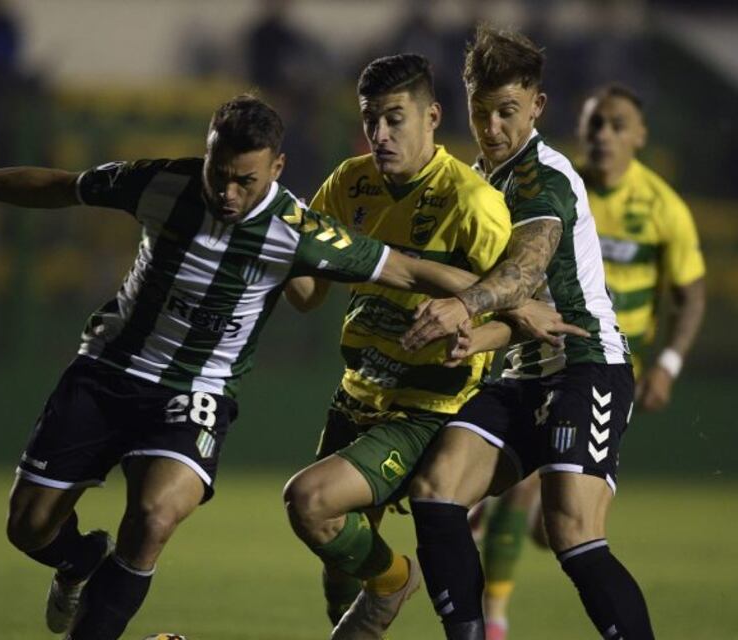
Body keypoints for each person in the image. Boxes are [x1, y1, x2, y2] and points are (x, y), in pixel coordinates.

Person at [0, 94, 491, 640]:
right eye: (218, 174)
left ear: (276, 170)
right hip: (106, 372)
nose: (227, 193)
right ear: (205, 154)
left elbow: (410, 270)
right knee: (28, 527)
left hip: (196, 391)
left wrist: (503, 300)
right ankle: (79, 561)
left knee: (155, 515)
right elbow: (63, 187)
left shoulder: (299, 231)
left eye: (244, 182)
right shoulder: (159, 183)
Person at [280, 54, 587, 640]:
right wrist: (274, 242)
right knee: (339, 571)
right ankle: (379, 591)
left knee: (310, 502)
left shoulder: (473, 203)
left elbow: (527, 314)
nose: (380, 135)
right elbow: (306, 295)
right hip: (358, 396)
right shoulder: (350, 182)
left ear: (432, 117)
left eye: (395, 119)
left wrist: (475, 327)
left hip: (427, 408)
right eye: (371, 120)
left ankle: (399, 580)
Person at [400, 28, 656, 640]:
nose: (491, 127)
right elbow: (516, 315)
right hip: (520, 372)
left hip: (586, 365)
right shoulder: (473, 182)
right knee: (436, 492)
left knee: (570, 531)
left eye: (507, 112)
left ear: (536, 107)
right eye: (480, 110)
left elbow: (524, 272)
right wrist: (477, 336)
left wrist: (465, 307)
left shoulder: (544, 177)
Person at [471, 83, 706, 640]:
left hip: (600, 363)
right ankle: (496, 619)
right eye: (594, 124)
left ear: (640, 136)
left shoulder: (662, 207)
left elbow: (690, 293)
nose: (602, 136)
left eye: (616, 124)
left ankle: (496, 609)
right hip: (543, 358)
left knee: (557, 521)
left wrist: (668, 363)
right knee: (533, 499)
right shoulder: (555, 186)